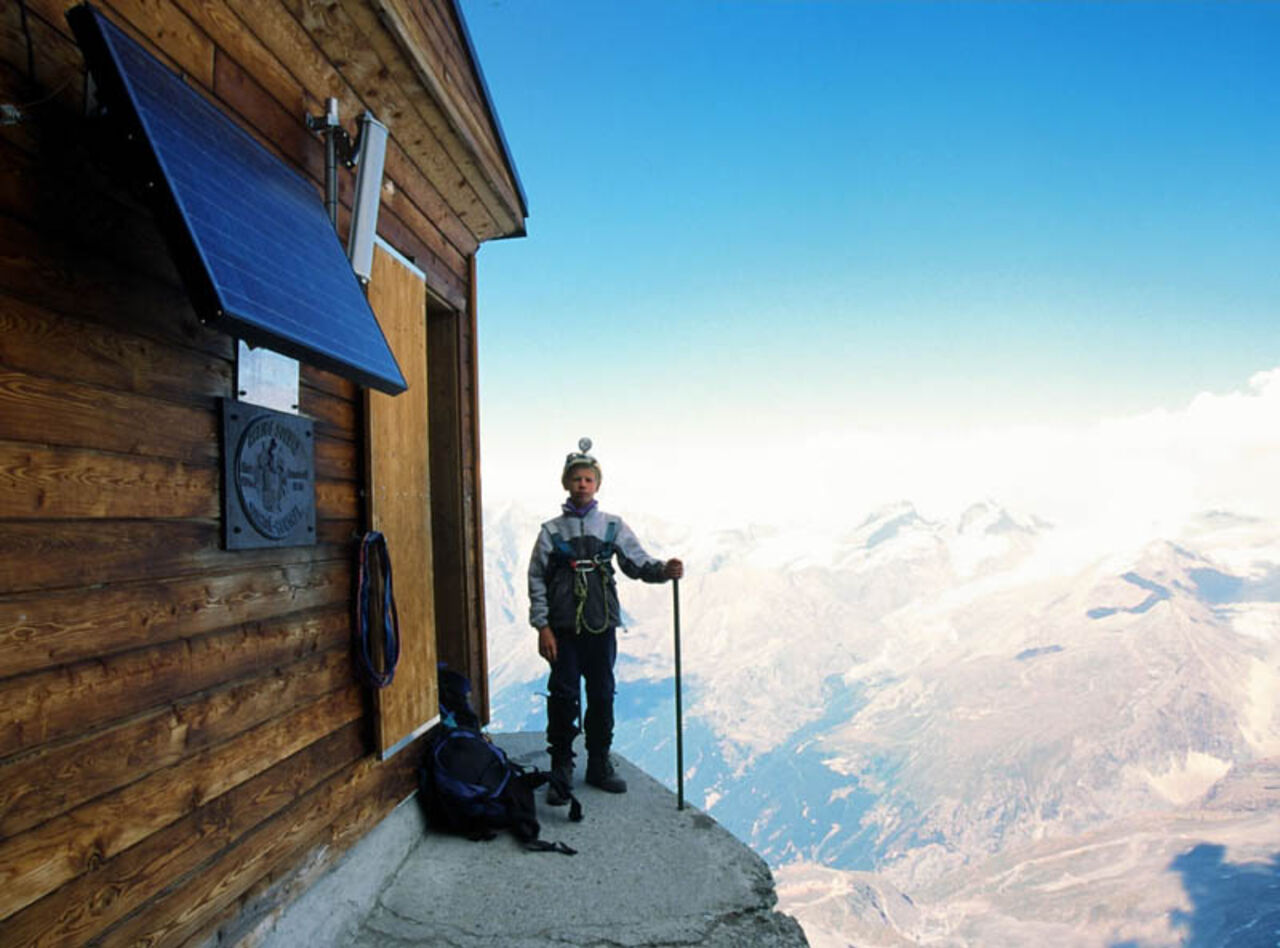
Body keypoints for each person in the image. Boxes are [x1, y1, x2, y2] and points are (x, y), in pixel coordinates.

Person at [527, 439, 683, 804]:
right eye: (576, 479)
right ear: (566, 484)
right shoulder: (551, 532)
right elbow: (536, 578)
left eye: (588, 479)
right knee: (564, 695)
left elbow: (636, 563)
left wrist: (664, 570)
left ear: (597, 485)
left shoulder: (613, 527)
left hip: (600, 627)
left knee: (601, 694)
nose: (582, 484)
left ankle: (598, 762)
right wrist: (542, 626)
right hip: (563, 631)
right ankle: (562, 768)